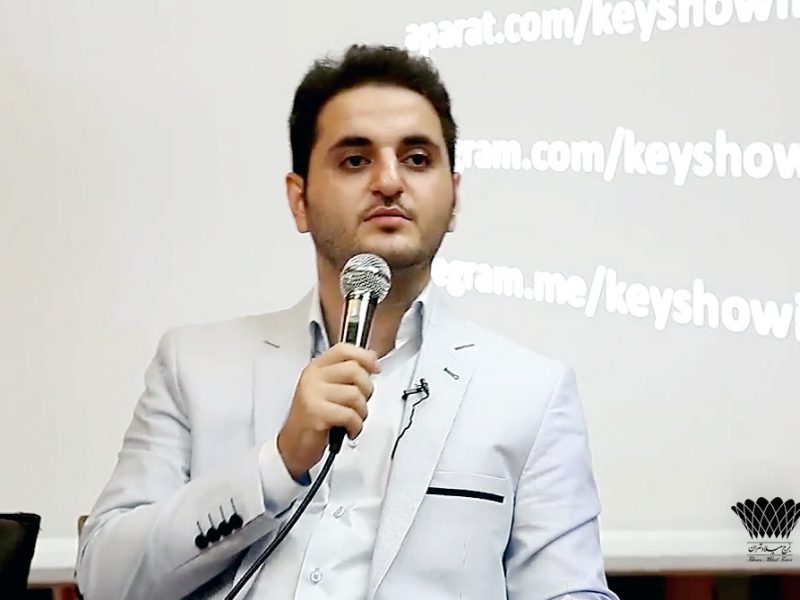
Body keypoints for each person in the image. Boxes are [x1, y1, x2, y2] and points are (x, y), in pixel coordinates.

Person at [76, 44, 618, 600]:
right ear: (300, 200)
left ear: (455, 198)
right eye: (356, 160)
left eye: (417, 159)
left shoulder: (531, 392)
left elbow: (569, 591)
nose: (389, 181)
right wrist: (278, 462)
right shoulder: (193, 366)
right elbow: (104, 579)